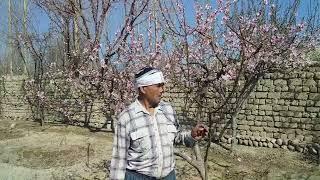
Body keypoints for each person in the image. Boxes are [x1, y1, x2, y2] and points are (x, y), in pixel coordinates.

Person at [110, 67, 208, 180]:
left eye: (163, 85)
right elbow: (118, 160)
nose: (163, 90)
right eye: (158, 86)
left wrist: (191, 135)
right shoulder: (127, 118)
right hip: (138, 177)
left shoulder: (168, 110)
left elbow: (176, 137)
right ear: (143, 88)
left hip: (169, 176)